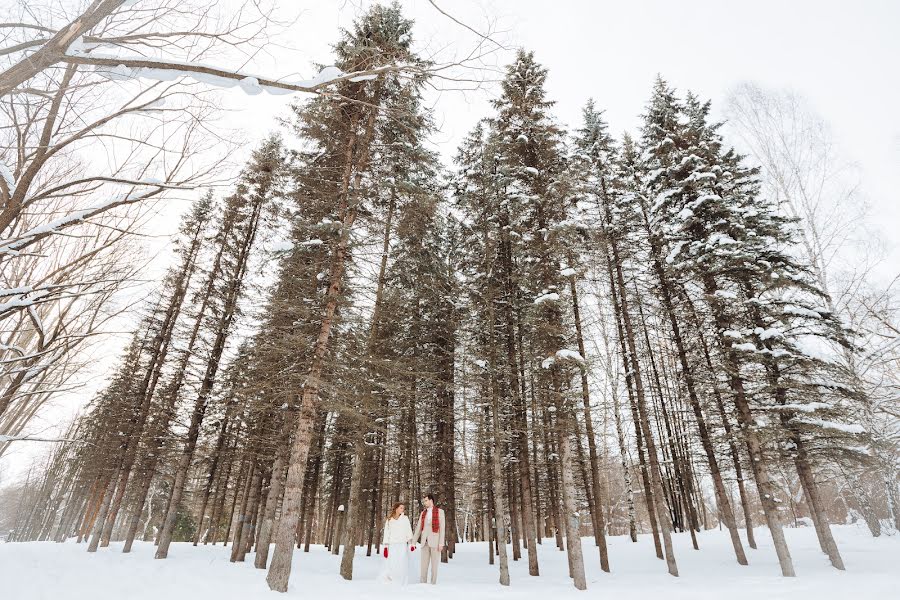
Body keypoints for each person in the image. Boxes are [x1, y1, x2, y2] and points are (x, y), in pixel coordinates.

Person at [411, 493, 445, 584]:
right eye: (424, 501)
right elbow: (418, 528)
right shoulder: (423, 513)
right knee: (423, 566)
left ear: (431, 500)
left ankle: (433, 584)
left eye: (426, 500)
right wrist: (413, 542)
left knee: (434, 566)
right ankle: (423, 584)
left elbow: (442, 528)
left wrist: (441, 543)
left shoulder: (440, 512)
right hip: (424, 542)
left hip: (435, 542)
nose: (424, 502)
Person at [379, 502, 413, 585]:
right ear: (396, 508)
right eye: (401, 508)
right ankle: (391, 578)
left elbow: (408, 531)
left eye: (403, 508)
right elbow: (387, 533)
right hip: (392, 544)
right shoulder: (389, 520)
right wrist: (386, 547)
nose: (402, 509)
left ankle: (402, 579)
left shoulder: (405, 518)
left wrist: (411, 543)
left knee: (402, 561)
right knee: (392, 561)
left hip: (402, 544)